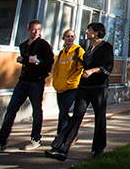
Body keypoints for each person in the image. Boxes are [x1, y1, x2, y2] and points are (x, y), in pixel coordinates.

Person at [46, 22, 114, 161]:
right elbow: (88, 64)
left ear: (96, 33)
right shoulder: (89, 47)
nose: (87, 32)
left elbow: (107, 66)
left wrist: (92, 71)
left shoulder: (106, 47)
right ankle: (61, 148)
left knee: (99, 116)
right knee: (77, 115)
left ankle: (98, 147)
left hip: (99, 87)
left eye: (89, 30)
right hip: (84, 87)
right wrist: (80, 61)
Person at [0, 19, 54, 153]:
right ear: (28, 30)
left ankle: (36, 138)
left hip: (36, 82)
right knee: (11, 109)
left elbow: (49, 62)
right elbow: (27, 60)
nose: (36, 31)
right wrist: (23, 60)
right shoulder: (23, 45)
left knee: (36, 111)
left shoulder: (43, 45)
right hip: (22, 81)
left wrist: (38, 61)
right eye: (33, 29)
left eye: (38, 29)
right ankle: (1, 141)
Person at [52, 29, 85, 135]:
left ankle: (61, 137)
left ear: (75, 38)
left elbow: (81, 68)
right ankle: (72, 132)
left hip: (72, 86)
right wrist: (55, 82)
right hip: (60, 86)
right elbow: (56, 69)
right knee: (62, 112)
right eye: (67, 36)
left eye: (72, 36)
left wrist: (71, 81)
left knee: (63, 112)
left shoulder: (78, 50)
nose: (69, 38)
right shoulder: (62, 53)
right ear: (63, 38)